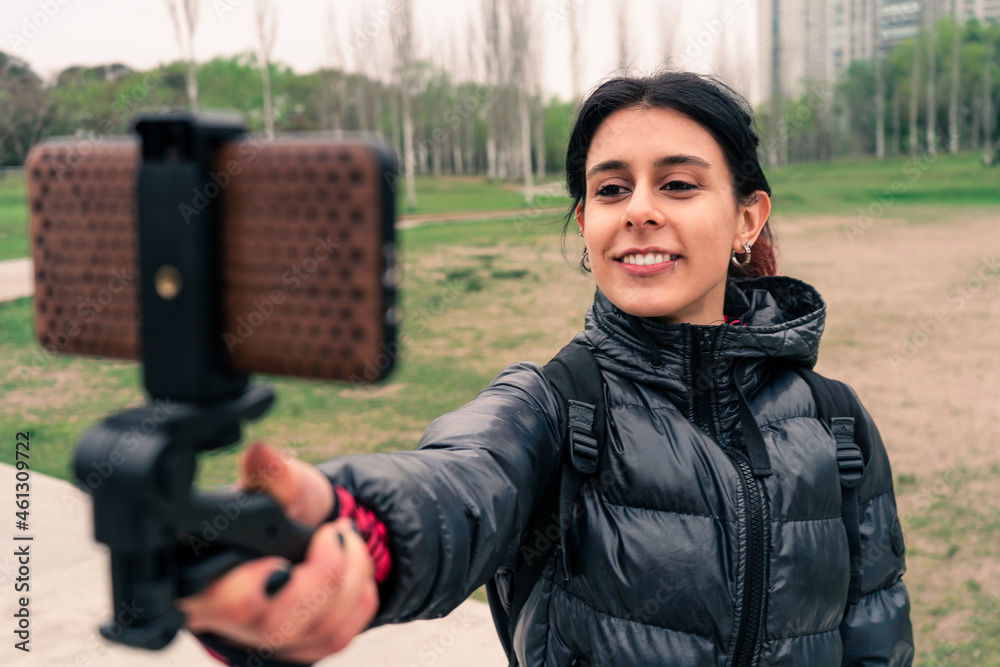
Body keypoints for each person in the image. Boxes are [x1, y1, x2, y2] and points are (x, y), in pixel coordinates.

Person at [179, 71, 914, 666]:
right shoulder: (555, 405)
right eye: (611, 188)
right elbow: (459, 483)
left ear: (748, 218)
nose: (639, 211)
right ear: (585, 221)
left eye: (679, 185)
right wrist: (353, 537)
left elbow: (875, 631)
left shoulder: (837, 422)